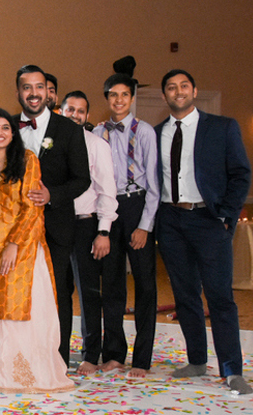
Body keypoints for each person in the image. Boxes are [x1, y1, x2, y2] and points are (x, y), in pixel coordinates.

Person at [155, 69, 253, 394]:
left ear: (194, 91)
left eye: (184, 85)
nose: (178, 91)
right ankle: (196, 361)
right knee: (185, 295)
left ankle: (232, 370)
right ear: (165, 95)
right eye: (171, 87)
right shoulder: (155, 134)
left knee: (220, 297)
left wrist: (227, 215)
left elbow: (240, 173)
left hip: (209, 221)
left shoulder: (222, 128)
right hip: (170, 222)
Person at [0, 108, 74, 394]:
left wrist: (14, 246)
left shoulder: (27, 160)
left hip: (25, 245)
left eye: (5, 127)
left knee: (17, 307)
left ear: (13, 132)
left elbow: (33, 207)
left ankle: (21, 373)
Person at [14, 65, 90, 367]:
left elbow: (82, 179)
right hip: (14, 227)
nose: (33, 93)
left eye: (39, 87)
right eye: (26, 87)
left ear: (48, 91)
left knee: (56, 293)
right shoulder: (5, 126)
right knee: (18, 291)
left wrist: (52, 195)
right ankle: (20, 357)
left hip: (55, 226)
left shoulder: (69, 129)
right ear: (18, 91)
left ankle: (57, 359)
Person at [92, 74, 159, 378]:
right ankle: (115, 354)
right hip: (108, 208)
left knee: (145, 285)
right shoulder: (96, 132)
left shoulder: (144, 132)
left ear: (132, 98)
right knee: (113, 285)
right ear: (106, 98)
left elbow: (155, 184)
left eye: (124, 95)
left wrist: (145, 225)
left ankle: (142, 359)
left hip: (136, 204)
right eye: (113, 95)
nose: (118, 100)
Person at [60, 91, 119, 375]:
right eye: (70, 109)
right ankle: (58, 353)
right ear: (60, 111)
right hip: (57, 225)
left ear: (86, 116)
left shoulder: (97, 145)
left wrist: (103, 231)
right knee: (59, 293)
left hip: (86, 224)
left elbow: (108, 191)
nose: (75, 115)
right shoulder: (51, 146)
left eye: (80, 111)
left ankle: (91, 355)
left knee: (88, 293)